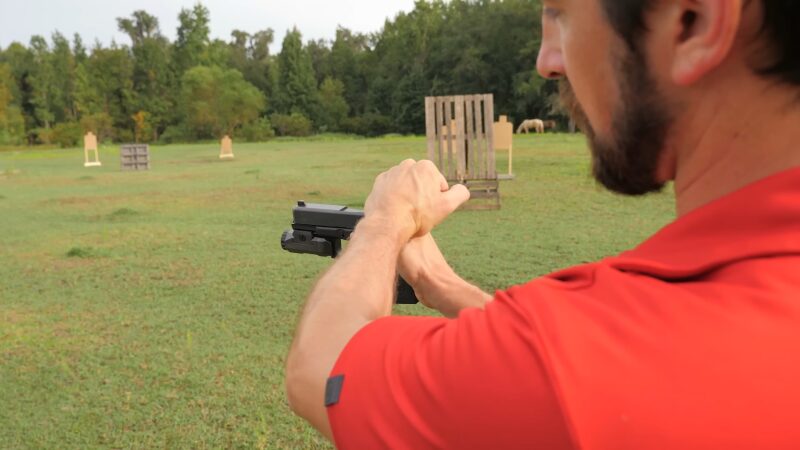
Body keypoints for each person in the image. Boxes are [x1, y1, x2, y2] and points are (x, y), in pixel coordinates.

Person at [286, 0, 800, 448]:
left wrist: (386, 221)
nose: (546, 61)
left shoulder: (576, 359)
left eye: (560, 14)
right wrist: (440, 285)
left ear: (694, 20)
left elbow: (320, 368)